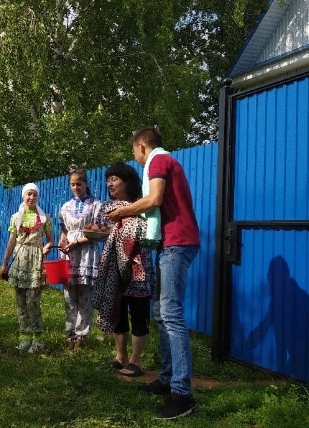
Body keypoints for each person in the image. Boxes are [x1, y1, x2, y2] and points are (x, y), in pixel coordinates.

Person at [107, 126, 200, 420]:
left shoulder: (158, 160)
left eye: (134, 151)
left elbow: (154, 199)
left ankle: (182, 394)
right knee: (161, 313)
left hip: (177, 243)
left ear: (141, 147)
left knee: (171, 314)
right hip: (170, 244)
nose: (135, 158)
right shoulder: (166, 161)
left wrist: (122, 211)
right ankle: (167, 378)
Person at [92, 162, 155, 378]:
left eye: (114, 179)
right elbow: (102, 231)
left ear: (127, 182)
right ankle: (121, 357)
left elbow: (148, 231)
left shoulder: (141, 205)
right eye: (108, 180)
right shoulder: (106, 208)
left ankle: (136, 361)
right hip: (114, 268)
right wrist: (98, 231)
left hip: (137, 267)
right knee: (116, 309)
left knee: (138, 312)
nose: (110, 184)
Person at [0, 183, 53, 353]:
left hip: (36, 260)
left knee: (33, 302)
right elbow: (11, 241)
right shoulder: (16, 217)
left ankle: (38, 340)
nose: (31, 197)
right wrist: (4, 263)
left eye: (34, 195)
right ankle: (24, 337)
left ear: (38, 197)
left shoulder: (44, 218)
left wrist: (47, 247)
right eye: (29, 194)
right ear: (23, 196)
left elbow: (51, 239)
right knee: (21, 302)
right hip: (20, 261)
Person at [58, 168, 101, 351]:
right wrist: (62, 240)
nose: (76, 187)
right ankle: (70, 334)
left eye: (79, 184)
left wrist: (76, 241)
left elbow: (98, 232)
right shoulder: (65, 207)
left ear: (86, 184)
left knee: (85, 295)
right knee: (69, 296)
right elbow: (64, 230)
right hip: (69, 253)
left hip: (86, 252)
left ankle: (81, 335)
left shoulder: (96, 206)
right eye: (73, 184)